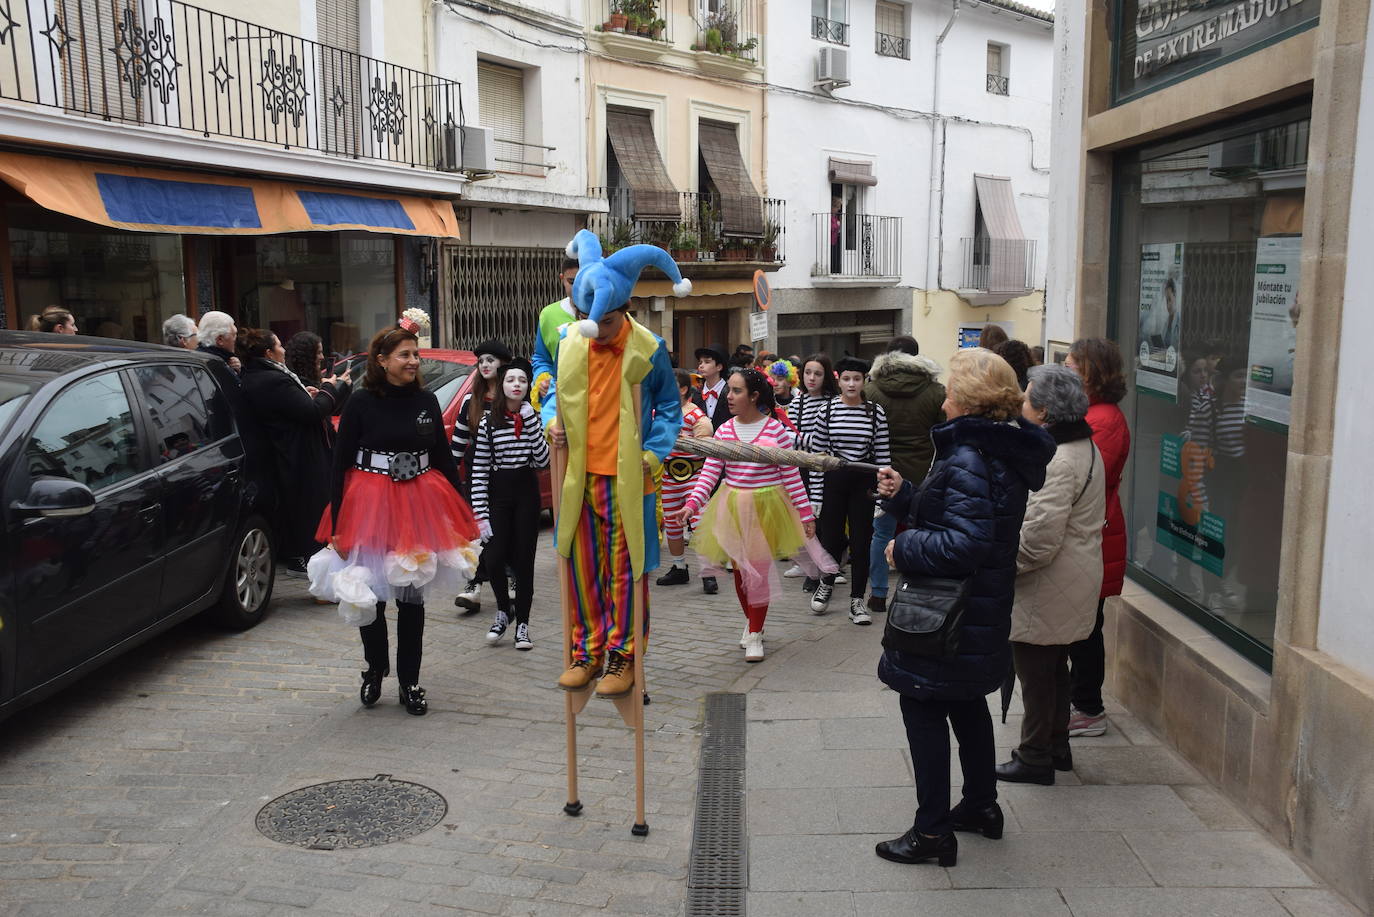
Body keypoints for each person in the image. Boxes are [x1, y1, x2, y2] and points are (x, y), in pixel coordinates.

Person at [872, 347, 1055, 867]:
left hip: (949, 617)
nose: (944, 398)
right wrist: (906, 495)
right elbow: (966, 520)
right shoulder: (989, 451)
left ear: (970, 401)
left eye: (951, 390)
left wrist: (901, 547)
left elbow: (967, 543)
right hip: (976, 613)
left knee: (924, 708)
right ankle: (980, 806)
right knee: (967, 706)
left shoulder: (969, 456)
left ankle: (931, 833)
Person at [544, 229, 688, 697]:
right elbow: (552, 396)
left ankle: (623, 656)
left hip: (628, 478)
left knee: (624, 572)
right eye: (589, 319)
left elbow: (669, 407)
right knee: (582, 567)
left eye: (605, 322)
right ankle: (586, 651)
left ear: (624, 310)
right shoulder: (571, 341)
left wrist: (653, 452)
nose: (596, 330)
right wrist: (551, 420)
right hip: (578, 477)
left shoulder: (649, 349)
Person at [316, 322, 480, 715]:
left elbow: (441, 454)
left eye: (415, 354)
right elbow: (339, 463)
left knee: (412, 595)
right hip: (368, 503)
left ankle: (410, 681)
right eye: (404, 355)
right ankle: (375, 669)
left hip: (418, 502)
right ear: (382, 360)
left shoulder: (425, 399)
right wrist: (338, 521)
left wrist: (461, 511)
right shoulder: (359, 401)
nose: (413, 361)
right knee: (368, 592)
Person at [674, 369, 830, 662]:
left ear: (754, 396)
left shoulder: (776, 431)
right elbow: (710, 472)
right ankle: (751, 620)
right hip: (731, 505)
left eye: (736, 391)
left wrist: (806, 513)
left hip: (766, 507)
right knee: (740, 573)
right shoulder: (723, 430)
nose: (728, 397)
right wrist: (692, 504)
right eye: (728, 391)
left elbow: (792, 475)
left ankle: (756, 632)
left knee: (757, 572)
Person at [997, 365, 1105, 785]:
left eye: (1026, 400)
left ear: (1043, 411)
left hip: (1050, 582)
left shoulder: (1058, 460)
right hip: (1073, 576)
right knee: (1055, 668)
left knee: (1037, 673)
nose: (1021, 405)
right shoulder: (1081, 445)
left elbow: (1039, 539)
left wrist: (1004, 566)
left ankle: (1035, 756)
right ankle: (1056, 747)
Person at [1064, 338, 1131, 738]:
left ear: (1094, 372)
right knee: (1082, 623)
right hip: (1089, 533)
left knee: (1086, 627)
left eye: (1073, 365)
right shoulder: (1091, 413)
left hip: (1094, 535)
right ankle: (1082, 703)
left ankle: (1089, 709)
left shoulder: (1103, 420)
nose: (1066, 370)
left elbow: (1085, 479)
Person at [237, 328, 344, 576]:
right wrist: (330, 389)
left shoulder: (263, 376)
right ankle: (315, 569)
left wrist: (307, 395)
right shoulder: (271, 379)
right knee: (311, 513)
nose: (283, 349)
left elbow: (293, 406)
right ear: (269, 352)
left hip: (294, 452)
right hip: (296, 454)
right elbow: (311, 413)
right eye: (279, 345)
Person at [470, 357, 550, 651]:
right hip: (499, 492)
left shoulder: (533, 418)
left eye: (522, 380)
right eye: (510, 380)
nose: (516, 384)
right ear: (502, 386)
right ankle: (503, 611)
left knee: (523, 561)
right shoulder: (489, 422)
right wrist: (480, 513)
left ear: (528, 386)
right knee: (493, 557)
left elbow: (543, 461)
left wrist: (530, 420)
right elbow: (479, 468)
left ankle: (524, 625)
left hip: (526, 491)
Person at [864, 335, 945, 616]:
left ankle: (877, 594)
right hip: (924, 473)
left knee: (881, 533)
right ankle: (916, 591)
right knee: (920, 533)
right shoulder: (935, 391)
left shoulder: (871, 389)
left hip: (883, 472)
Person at [809, 356, 890, 624]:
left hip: (863, 482)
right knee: (830, 538)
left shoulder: (875, 412)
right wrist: (816, 496)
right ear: (839, 380)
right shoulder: (827, 410)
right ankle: (827, 582)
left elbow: (882, 457)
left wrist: (882, 495)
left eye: (857, 378)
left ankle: (857, 601)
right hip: (834, 479)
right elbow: (818, 457)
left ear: (865, 380)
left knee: (861, 542)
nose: (852, 384)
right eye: (846, 379)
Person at [451, 339, 513, 614]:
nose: (485, 365)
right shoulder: (470, 400)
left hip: (505, 474)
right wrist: (448, 474)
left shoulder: (513, 399)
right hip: (476, 472)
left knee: (504, 529)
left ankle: (513, 580)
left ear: (502, 364)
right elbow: (458, 441)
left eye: (490, 360)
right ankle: (473, 585)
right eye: (481, 361)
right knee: (476, 529)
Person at [783, 352, 839, 586]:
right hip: (803, 467)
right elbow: (788, 434)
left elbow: (829, 439)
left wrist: (806, 439)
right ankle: (809, 565)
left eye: (817, 373)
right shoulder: (799, 401)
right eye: (807, 373)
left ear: (826, 376)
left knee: (825, 517)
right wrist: (811, 440)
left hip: (826, 468)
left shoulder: (832, 401)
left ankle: (829, 564)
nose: (812, 378)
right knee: (804, 515)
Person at [657, 368, 715, 587]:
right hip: (669, 477)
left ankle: (708, 571)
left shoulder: (695, 415)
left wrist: (686, 440)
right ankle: (679, 567)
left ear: (682, 389)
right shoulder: (659, 413)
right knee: (672, 524)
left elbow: (706, 444)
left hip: (694, 477)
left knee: (699, 524)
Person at [532, 257, 581, 407]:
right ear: (562, 279)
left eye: (583, 281)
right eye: (572, 282)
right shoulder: (548, 315)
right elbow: (541, 357)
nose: (578, 288)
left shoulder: (609, 314)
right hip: (562, 405)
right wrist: (543, 379)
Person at [695, 345, 731, 430]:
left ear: (719, 367)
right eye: (700, 362)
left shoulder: (730, 392)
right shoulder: (696, 394)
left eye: (707, 362)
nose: (701, 366)